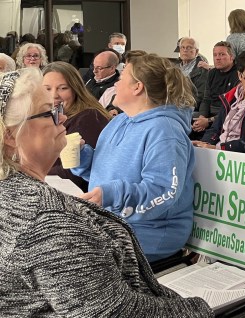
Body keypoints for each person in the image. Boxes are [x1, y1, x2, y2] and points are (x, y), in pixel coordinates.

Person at [0, 68, 234, 318]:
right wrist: (199, 309)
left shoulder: (21, 199)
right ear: (10, 135)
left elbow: (160, 190)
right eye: (48, 112)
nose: (62, 116)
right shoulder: (48, 221)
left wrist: (108, 192)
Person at [71, 53, 198, 263]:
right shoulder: (119, 121)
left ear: (137, 87)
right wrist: (82, 158)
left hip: (150, 233)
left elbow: (164, 191)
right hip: (112, 222)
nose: (116, 83)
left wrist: (111, 195)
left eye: (121, 78)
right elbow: (104, 173)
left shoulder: (165, 130)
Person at [43, 62, 110, 191]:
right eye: (47, 89)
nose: (54, 95)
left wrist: (31, 174)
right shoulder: (47, 117)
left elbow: (73, 174)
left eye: (63, 88)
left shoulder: (89, 117)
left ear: (76, 89)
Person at [195, 50, 245, 155]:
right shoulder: (230, 97)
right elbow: (216, 128)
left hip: (241, 156)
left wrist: (219, 148)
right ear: (240, 75)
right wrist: (204, 144)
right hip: (220, 149)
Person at [191, 42, 240, 140]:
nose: (217, 58)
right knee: (184, 124)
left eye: (222, 54)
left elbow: (233, 109)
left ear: (231, 57)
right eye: (215, 55)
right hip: (208, 115)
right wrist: (202, 118)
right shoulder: (212, 73)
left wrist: (208, 121)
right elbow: (206, 99)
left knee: (205, 139)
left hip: (226, 117)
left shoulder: (238, 75)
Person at [177, 37, 209, 112]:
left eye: (189, 48)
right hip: (174, 105)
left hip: (189, 107)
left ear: (196, 51)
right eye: (182, 47)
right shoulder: (174, 68)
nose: (185, 50)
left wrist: (183, 106)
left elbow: (200, 96)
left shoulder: (202, 70)